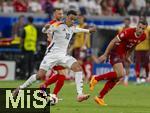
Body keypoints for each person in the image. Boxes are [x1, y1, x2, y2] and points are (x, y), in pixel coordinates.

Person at [13, 10, 96, 102]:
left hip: (63, 56)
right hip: (51, 55)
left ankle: (79, 94)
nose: (73, 21)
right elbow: (44, 30)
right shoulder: (58, 25)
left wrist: (89, 31)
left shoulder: (72, 28)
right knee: (40, 75)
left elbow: (80, 29)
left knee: (77, 68)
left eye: (74, 20)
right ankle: (20, 88)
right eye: (71, 19)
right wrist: (45, 27)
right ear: (67, 17)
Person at [90, 19, 148, 106]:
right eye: (139, 27)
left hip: (122, 55)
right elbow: (113, 41)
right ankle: (96, 78)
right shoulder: (127, 32)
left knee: (117, 78)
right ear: (136, 26)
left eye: (143, 29)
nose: (141, 30)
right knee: (121, 73)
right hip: (114, 52)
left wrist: (128, 56)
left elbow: (134, 45)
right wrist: (105, 54)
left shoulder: (143, 37)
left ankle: (100, 97)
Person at [40, 8, 67, 97]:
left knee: (60, 74)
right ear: (54, 14)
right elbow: (49, 36)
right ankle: (54, 95)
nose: (61, 15)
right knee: (62, 74)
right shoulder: (51, 24)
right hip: (53, 52)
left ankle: (44, 86)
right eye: (59, 14)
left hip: (58, 52)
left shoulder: (61, 24)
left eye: (62, 14)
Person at [134, 17, 150, 84]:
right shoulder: (136, 29)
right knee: (138, 63)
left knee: (146, 64)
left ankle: (146, 78)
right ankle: (137, 78)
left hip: (146, 49)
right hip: (138, 49)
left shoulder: (148, 29)